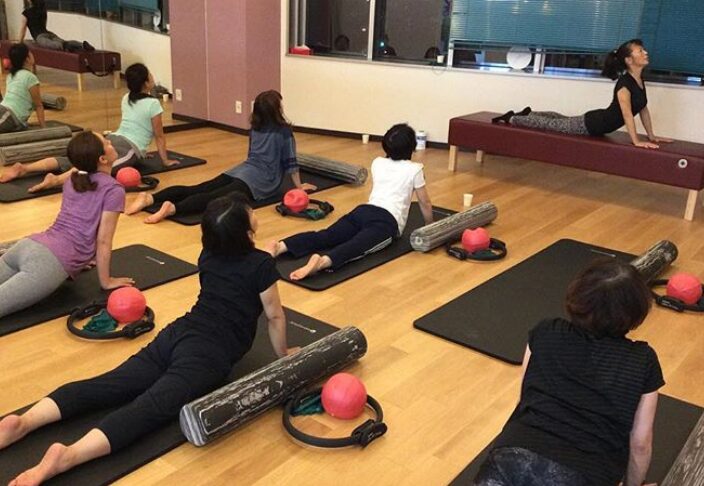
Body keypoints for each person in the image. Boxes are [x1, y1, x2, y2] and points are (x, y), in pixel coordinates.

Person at [0, 194, 298, 485]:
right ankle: (70, 456)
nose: (253, 212)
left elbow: (235, 264)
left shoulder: (208, 255)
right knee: (150, 407)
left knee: (111, 382)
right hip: (210, 353)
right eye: (250, 212)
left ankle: (25, 421)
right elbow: (274, 316)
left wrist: (258, 255)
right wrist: (283, 353)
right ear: (245, 231)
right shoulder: (261, 266)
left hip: (178, 332)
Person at [474, 259, 663, 486]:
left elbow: (525, 399)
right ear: (635, 311)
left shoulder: (546, 331)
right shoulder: (643, 360)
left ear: (577, 296)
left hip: (508, 459)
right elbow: (640, 443)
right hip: (582, 474)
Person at [266, 123, 434, 280]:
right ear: (412, 148)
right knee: (357, 246)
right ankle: (323, 262)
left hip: (363, 211)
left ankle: (281, 246)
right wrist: (429, 225)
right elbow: (424, 202)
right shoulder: (415, 169)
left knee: (326, 235)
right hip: (387, 221)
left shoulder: (378, 162)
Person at [124, 90, 316, 224]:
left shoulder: (255, 127)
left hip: (240, 170)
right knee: (213, 197)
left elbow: (252, 154)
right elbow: (291, 163)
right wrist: (299, 187)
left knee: (199, 187)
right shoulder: (284, 132)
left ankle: (150, 198)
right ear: (276, 110)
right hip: (260, 180)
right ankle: (173, 208)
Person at [0, 132, 131, 319]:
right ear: (102, 159)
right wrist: (106, 281)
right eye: (106, 142)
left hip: (28, 245)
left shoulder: (72, 179)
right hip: (48, 262)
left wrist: (81, 257)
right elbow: (103, 241)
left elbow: (77, 222)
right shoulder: (113, 190)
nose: (111, 142)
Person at [0, 63, 178, 190]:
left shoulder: (126, 98)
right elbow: (159, 136)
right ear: (146, 82)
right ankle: (56, 180)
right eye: (150, 75)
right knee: (94, 168)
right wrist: (165, 161)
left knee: (75, 160)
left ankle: (25, 168)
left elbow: (135, 124)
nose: (152, 77)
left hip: (112, 138)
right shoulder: (153, 103)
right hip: (129, 147)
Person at [493, 39, 672, 149]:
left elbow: (643, 109)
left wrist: (651, 135)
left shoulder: (639, 80)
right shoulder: (624, 84)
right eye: (640, 51)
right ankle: (512, 118)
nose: (645, 52)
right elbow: (627, 114)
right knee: (553, 125)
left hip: (597, 120)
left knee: (561, 119)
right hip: (592, 125)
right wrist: (636, 141)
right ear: (629, 60)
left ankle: (529, 113)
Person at [19, 0, 95, 52]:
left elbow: (23, 30)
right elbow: (44, 24)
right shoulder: (42, 10)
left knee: (53, 45)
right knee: (64, 41)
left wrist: (19, 43)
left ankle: (65, 46)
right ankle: (82, 45)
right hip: (48, 33)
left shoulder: (26, 13)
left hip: (39, 37)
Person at [0, 43, 44, 133]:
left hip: (9, 114)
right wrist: (43, 127)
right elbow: (38, 106)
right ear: (27, 59)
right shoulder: (31, 78)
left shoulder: (11, 75)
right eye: (30, 53)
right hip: (9, 113)